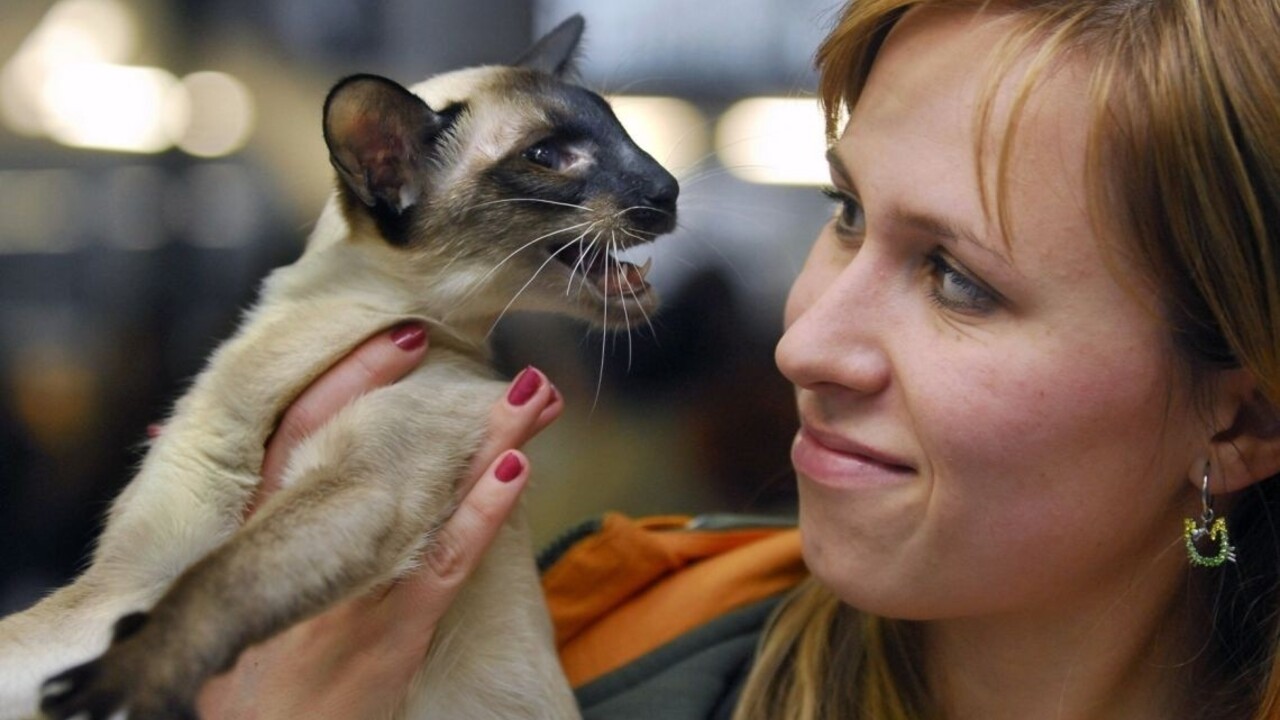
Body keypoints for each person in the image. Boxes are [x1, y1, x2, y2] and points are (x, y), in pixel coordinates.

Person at [197, 1, 1280, 718]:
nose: (801, 341)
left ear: (1238, 423)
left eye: (957, 279)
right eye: (844, 212)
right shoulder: (595, 652)